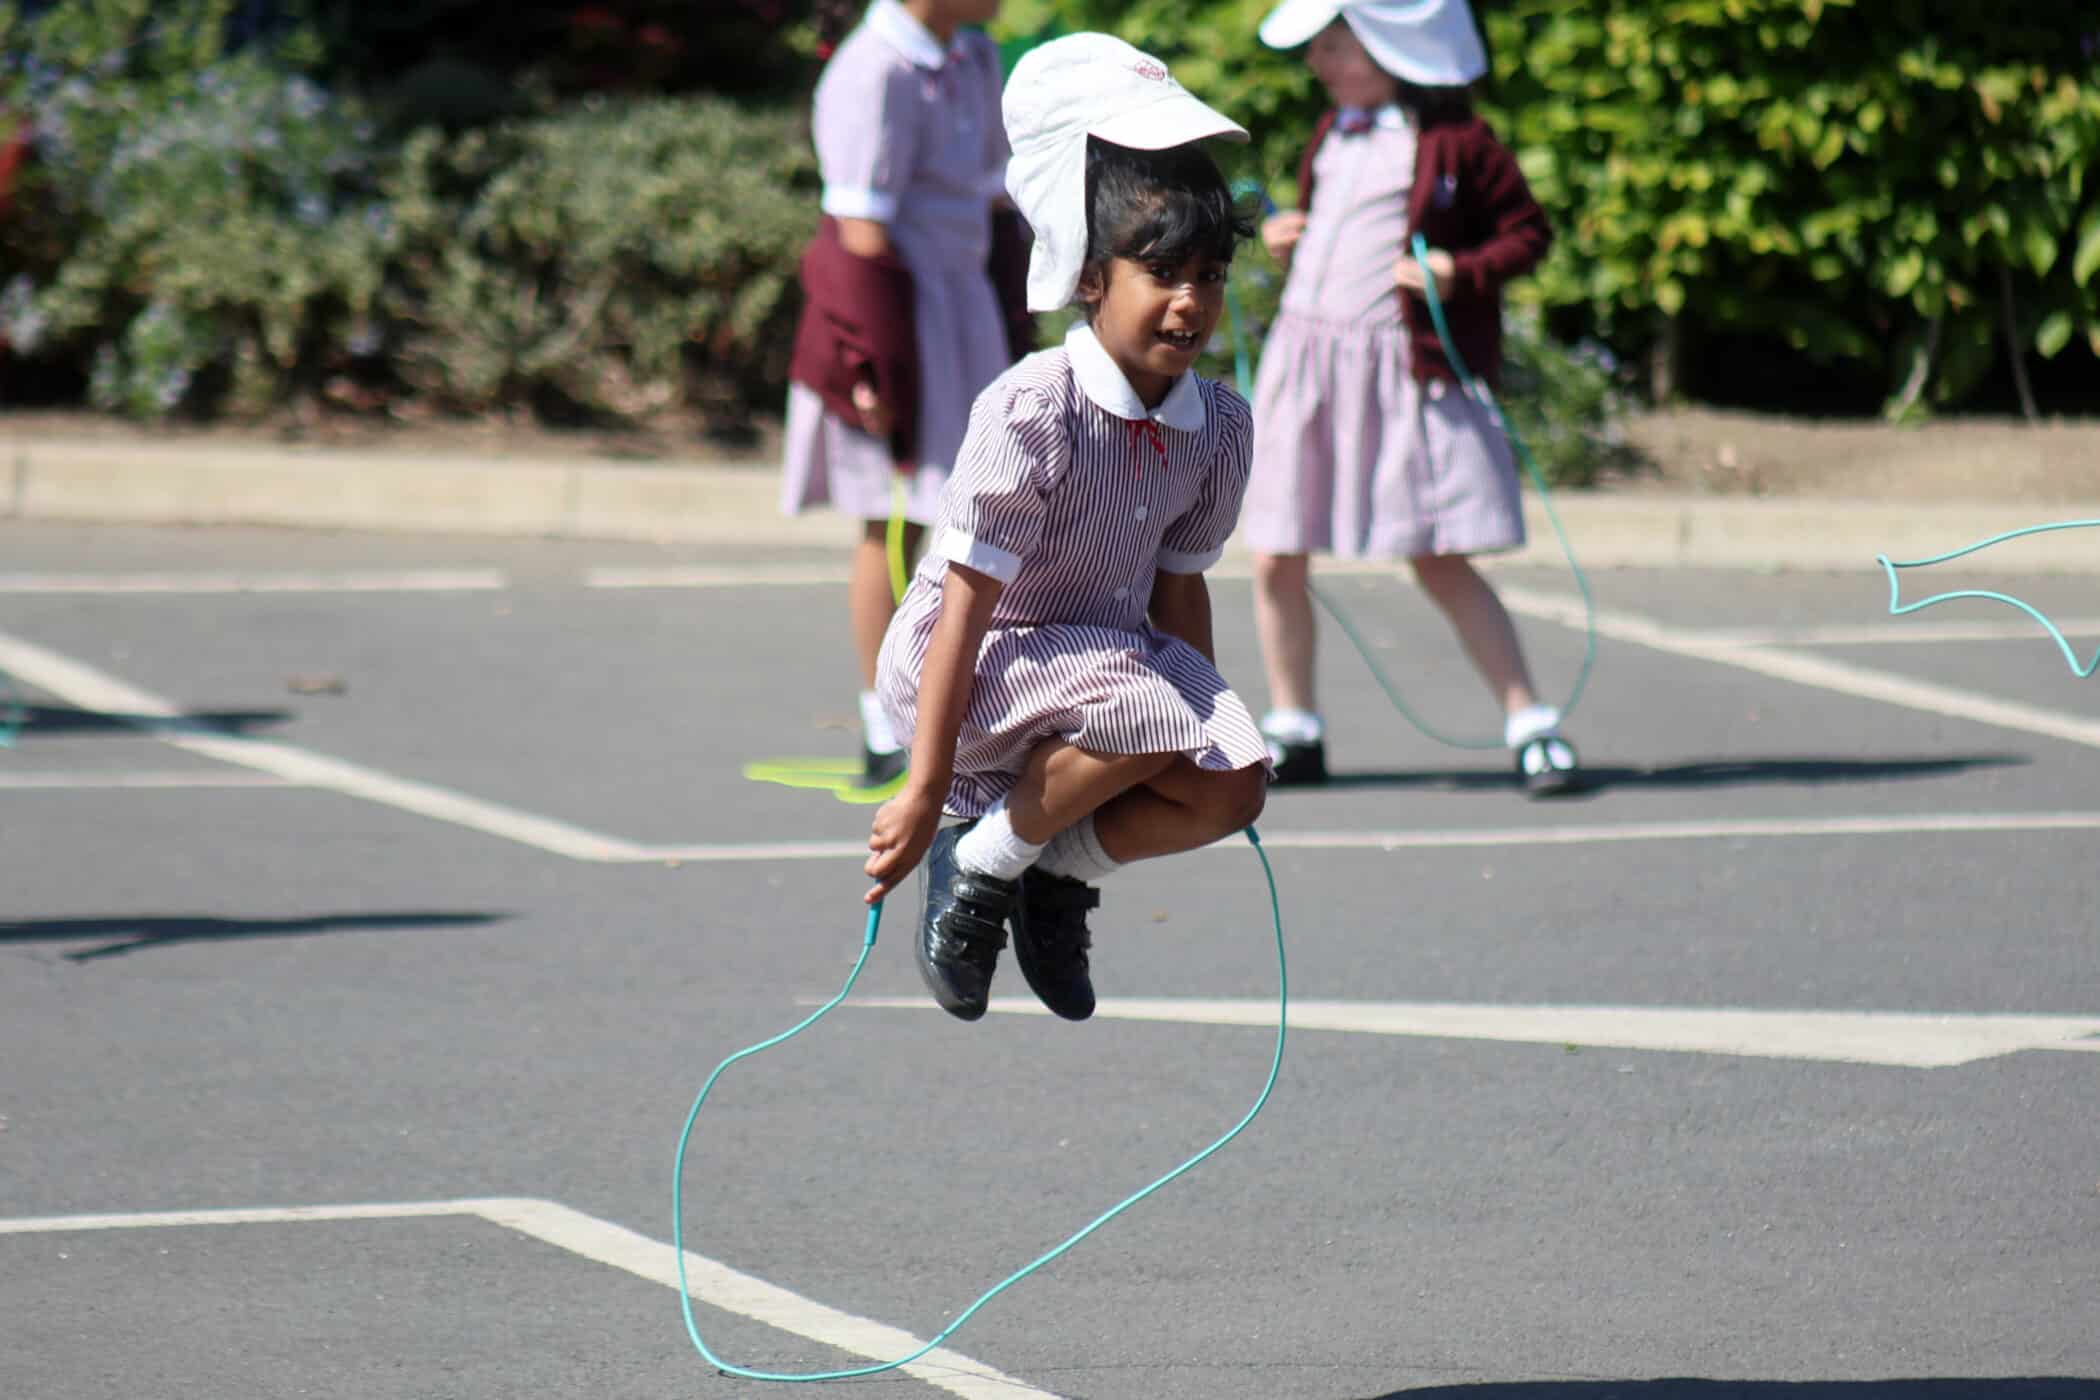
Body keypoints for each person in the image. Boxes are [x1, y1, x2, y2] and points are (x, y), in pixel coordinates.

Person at [862, 33, 1270, 1024]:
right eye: (1162, 271)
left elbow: (1180, 583)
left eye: (1211, 275)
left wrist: (1205, 727)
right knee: (1152, 710)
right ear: (1090, 275)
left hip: (1102, 672)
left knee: (1236, 780)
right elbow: (964, 602)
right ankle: (982, 857)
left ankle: (1048, 871)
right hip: (977, 662)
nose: (1191, 301)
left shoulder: (1215, 423)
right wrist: (921, 786)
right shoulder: (1034, 408)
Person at [1244, 0, 1582, 795]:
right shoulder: (1333, 132)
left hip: (1402, 372)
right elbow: (1332, 222)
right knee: (1275, 550)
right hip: (1310, 362)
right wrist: (1288, 232)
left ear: (1393, 49)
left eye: (1337, 46)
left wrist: (1457, 271)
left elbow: (1526, 231)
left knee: (1436, 552)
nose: (1320, 63)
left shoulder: (1457, 141)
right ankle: (1295, 726)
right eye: (1320, 47)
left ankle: (1529, 720)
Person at [782, 0, 1030, 788]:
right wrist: (874, 366)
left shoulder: (975, 57)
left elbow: (994, 195)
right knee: (890, 518)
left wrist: (1020, 312)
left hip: (966, 311)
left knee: (973, 516)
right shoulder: (872, 70)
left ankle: (967, 707)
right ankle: (883, 719)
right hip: (896, 317)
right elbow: (857, 231)